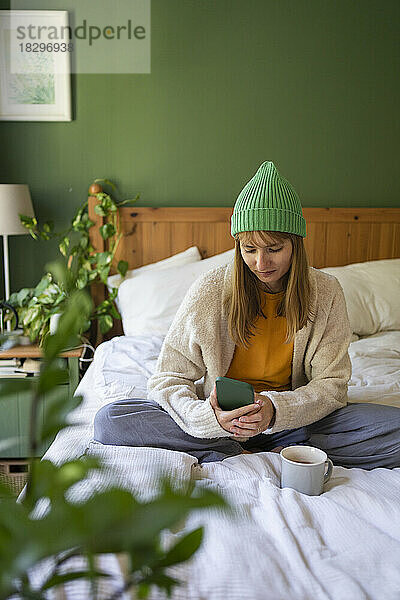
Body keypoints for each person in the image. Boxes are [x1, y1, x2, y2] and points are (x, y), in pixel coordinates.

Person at [94, 161, 400, 468]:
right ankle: (236, 447)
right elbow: (167, 379)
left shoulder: (326, 292)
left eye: (274, 248)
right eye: (249, 249)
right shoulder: (211, 290)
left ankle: (261, 446)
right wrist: (209, 419)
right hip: (219, 424)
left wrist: (274, 409)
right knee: (111, 420)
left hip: (292, 420)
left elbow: (331, 386)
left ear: (295, 243)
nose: (261, 262)